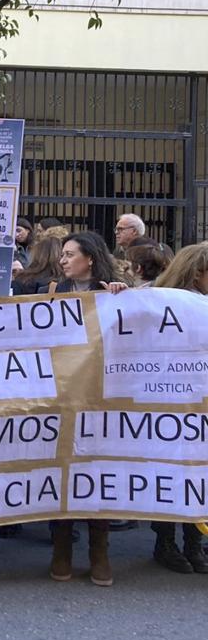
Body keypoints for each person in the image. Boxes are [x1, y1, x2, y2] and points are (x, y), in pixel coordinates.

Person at [51, 231, 128, 586]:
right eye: (62, 254)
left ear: (90, 258)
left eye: (70, 254)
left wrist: (123, 299)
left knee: (98, 472)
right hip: (63, 398)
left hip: (102, 398)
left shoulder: (116, 292)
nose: (63, 260)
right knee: (63, 472)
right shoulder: (52, 292)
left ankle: (100, 552)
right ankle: (62, 549)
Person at [148, 243, 208, 573]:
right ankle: (166, 542)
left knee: (198, 472)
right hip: (169, 401)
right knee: (172, 471)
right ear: (198, 273)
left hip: (198, 402)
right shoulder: (159, 303)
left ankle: (193, 543)